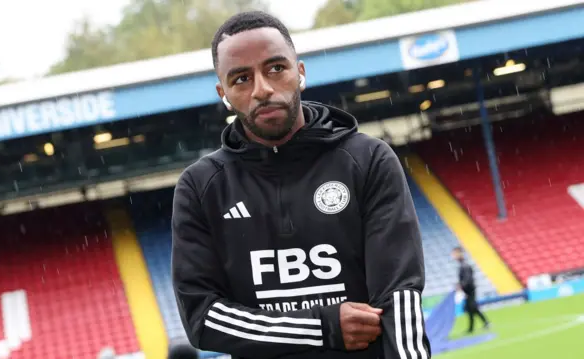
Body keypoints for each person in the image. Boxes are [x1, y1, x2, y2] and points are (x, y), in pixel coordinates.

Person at [171, 10, 430, 359]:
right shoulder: (201, 187)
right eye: (241, 79)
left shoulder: (368, 160)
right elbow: (202, 318)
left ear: (301, 73)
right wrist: (321, 327)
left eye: (276, 68)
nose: (262, 89)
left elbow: (399, 298)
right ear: (224, 93)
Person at [452, 247, 490, 334]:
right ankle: (474, 327)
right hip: (467, 290)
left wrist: (461, 286)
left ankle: (483, 323)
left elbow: (467, 279)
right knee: (470, 308)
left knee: (472, 307)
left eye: (455, 254)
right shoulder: (463, 265)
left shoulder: (465, 266)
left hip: (470, 290)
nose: (454, 256)